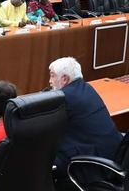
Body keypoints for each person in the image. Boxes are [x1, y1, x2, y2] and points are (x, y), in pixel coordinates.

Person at [48, 57, 122, 189]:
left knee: (45, 161)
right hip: (114, 154)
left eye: (52, 76)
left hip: (96, 167)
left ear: (64, 79)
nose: (50, 81)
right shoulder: (87, 88)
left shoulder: (64, 98)